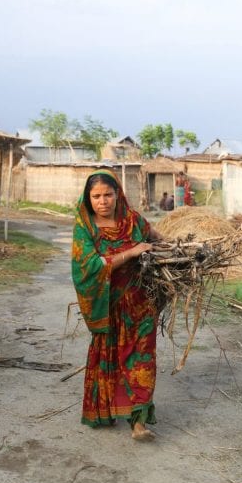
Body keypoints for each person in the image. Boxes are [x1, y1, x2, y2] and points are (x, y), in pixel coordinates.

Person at [71, 169, 163, 441]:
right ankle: (109, 410)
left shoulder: (133, 221)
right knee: (112, 360)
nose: (103, 201)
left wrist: (177, 251)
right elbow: (88, 267)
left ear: (117, 194)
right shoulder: (85, 229)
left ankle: (139, 423)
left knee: (142, 361)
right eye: (96, 196)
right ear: (88, 199)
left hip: (141, 305)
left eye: (108, 194)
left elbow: (157, 238)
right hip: (108, 309)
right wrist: (131, 252)